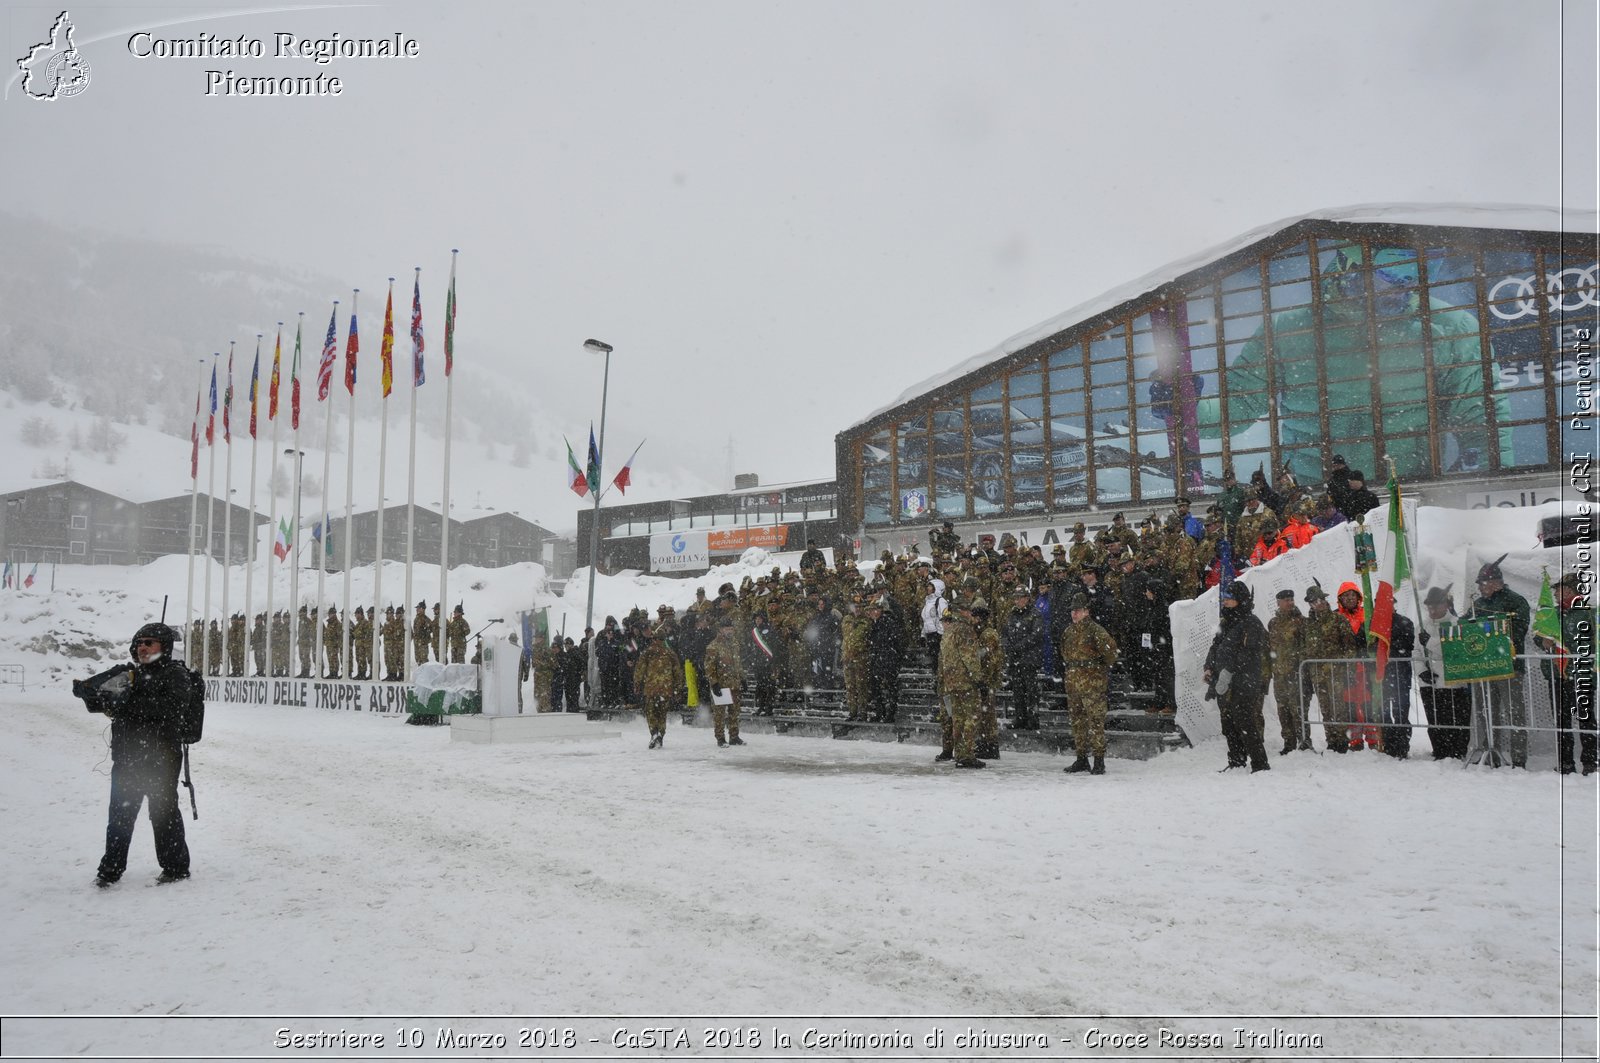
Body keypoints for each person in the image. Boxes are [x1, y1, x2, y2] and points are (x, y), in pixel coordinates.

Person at [75, 622, 196, 887]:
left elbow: (170, 708)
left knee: (163, 813)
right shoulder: (131, 675)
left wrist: (126, 702)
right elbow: (103, 703)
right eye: (139, 643)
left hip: (161, 760)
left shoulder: (175, 674)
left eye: (149, 642)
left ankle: (175, 868)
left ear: (163, 646)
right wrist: (89, 693)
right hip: (127, 757)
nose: (142, 647)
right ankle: (110, 870)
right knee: (120, 814)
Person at [1466, 556, 1531, 768]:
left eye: (1483, 584)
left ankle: (1519, 759)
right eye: (1480, 584)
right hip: (1484, 667)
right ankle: (1489, 753)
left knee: (1515, 713)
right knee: (1486, 713)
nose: (1481, 588)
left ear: (1496, 582)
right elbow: (1464, 626)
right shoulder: (1478, 603)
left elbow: (1519, 631)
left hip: (1508, 666)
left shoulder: (1516, 601)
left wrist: (1493, 625)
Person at [1204, 581, 1271, 773]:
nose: (1225, 601)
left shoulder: (1251, 622)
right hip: (1223, 681)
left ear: (1240, 600)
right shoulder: (1225, 621)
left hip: (1244, 680)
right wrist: (1209, 667)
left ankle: (1259, 763)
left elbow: (1248, 652)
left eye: (1229, 598)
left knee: (1245, 721)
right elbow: (1215, 646)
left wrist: (1229, 671)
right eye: (1224, 597)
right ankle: (1236, 760)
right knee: (1228, 722)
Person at [1059, 593, 1119, 775]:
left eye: (1077, 610)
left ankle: (1099, 760)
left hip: (1092, 683)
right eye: (1072, 611)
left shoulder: (1096, 631)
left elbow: (1111, 653)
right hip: (1073, 683)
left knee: (1095, 721)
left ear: (1086, 611)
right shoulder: (1068, 632)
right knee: (1077, 721)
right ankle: (1081, 758)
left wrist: (1095, 670)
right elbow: (1064, 653)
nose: (1074, 614)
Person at [1543, 572, 1596, 774]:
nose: (1555, 593)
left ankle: (1590, 762)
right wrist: (1543, 641)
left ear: (1570, 590)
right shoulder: (1551, 615)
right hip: (1557, 674)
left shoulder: (1589, 613)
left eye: (1558, 589)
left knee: (1586, 718)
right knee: (1561, 720)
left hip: (1581, 674)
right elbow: (1540, 634)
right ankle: (1565, 762)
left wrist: (1572, 648)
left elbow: (1594, 643)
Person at [1303, 583, 1357, 752]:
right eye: (1312, 602)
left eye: (1318, 600)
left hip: (1336, 673)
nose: (1316, 604)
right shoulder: (1309, 624)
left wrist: (1345, 666)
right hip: (1317, 674)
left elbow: (1350, 647)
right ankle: (1331, 740)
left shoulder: (1337, 619)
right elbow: (1306, 649)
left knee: (1338, 707)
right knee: (1326, 709)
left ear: (1324, 600)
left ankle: (1341, 741)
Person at [1417, 586, 1469, 759]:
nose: (1432, 610)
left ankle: (1457, 751)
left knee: (1456, 720)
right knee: (1435, 720)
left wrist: (1430, 642)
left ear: (1446, 605)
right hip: (1430, 682)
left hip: (1452, 682)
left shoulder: (1456, 624)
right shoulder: (1421, 626)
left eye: (1436, 606)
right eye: (1429, 606)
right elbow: (1415, 652)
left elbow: (1452, 650)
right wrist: (1421, 671)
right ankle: (1439, 750)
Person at [936, 599, 987, 768]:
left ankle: (959, 753)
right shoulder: (965, 630)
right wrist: (978, 678)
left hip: (951, 682)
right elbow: (970, 657)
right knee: (971, 717)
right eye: (969, 611)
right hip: (965, 681)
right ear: (963, 611)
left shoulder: (948, 631)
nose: (972, 614)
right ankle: (967, 754)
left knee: (957, 718)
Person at [1267, 588, 1310, 754]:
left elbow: (1306, 647)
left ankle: (1304, 740)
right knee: (1283, 709)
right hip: (1279, 675)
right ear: (1278, 603)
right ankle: (1289, 742)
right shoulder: (1273, 623)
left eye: (1291, 599)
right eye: (1286, 600)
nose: (1290, 602)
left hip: (1296, 674)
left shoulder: (1301, 622)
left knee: (1298, 708)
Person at [1002, 585, 1045, 730]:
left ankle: (1033, 719)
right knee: (1018, 690)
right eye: (1015, 598)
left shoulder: (1035, 614)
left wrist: (1019, 646)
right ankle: (1020, 718)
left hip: (1029, 658)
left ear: (1027, 598)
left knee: (1031, 691)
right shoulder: (1012, 614)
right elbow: (1005, 633)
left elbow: (1036, 635)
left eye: (1019, 597)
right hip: (1015, 659)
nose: (1017, 600)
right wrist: (1008, 645)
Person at [633, 625, 683, 749]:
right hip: (666, 689)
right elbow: (678, 673)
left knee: (651, 713)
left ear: (654, 639)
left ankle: (654, 733)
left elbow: (639, 670)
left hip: (651, 689)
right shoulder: (671, 654)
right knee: (662, 714)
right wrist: (678, 689)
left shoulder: (647, 652)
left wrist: (637, 684)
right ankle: (660, 733)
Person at [703, 613, 746, 747]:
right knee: (720, 714)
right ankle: (720, 738)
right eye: (727, 629)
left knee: (735, 712)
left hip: (734, 683)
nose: (729, 631)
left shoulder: (734, 644)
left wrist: (743, 679)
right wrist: (714, 683)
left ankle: (734, 736)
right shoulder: (713, 646)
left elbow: (738, 664)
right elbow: (709, 667)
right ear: (720, 630)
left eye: (731, 628)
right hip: (721, 684)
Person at [1378, 609, 1416, 759]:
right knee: (1385, 712)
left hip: (1401, 674)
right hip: (1382, 675)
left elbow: (1408, 645)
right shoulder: (1375, 624)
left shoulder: (1404, 622)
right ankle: (1388, 744)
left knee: (1401, 712)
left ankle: (1401, 746)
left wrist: (1388, 645)